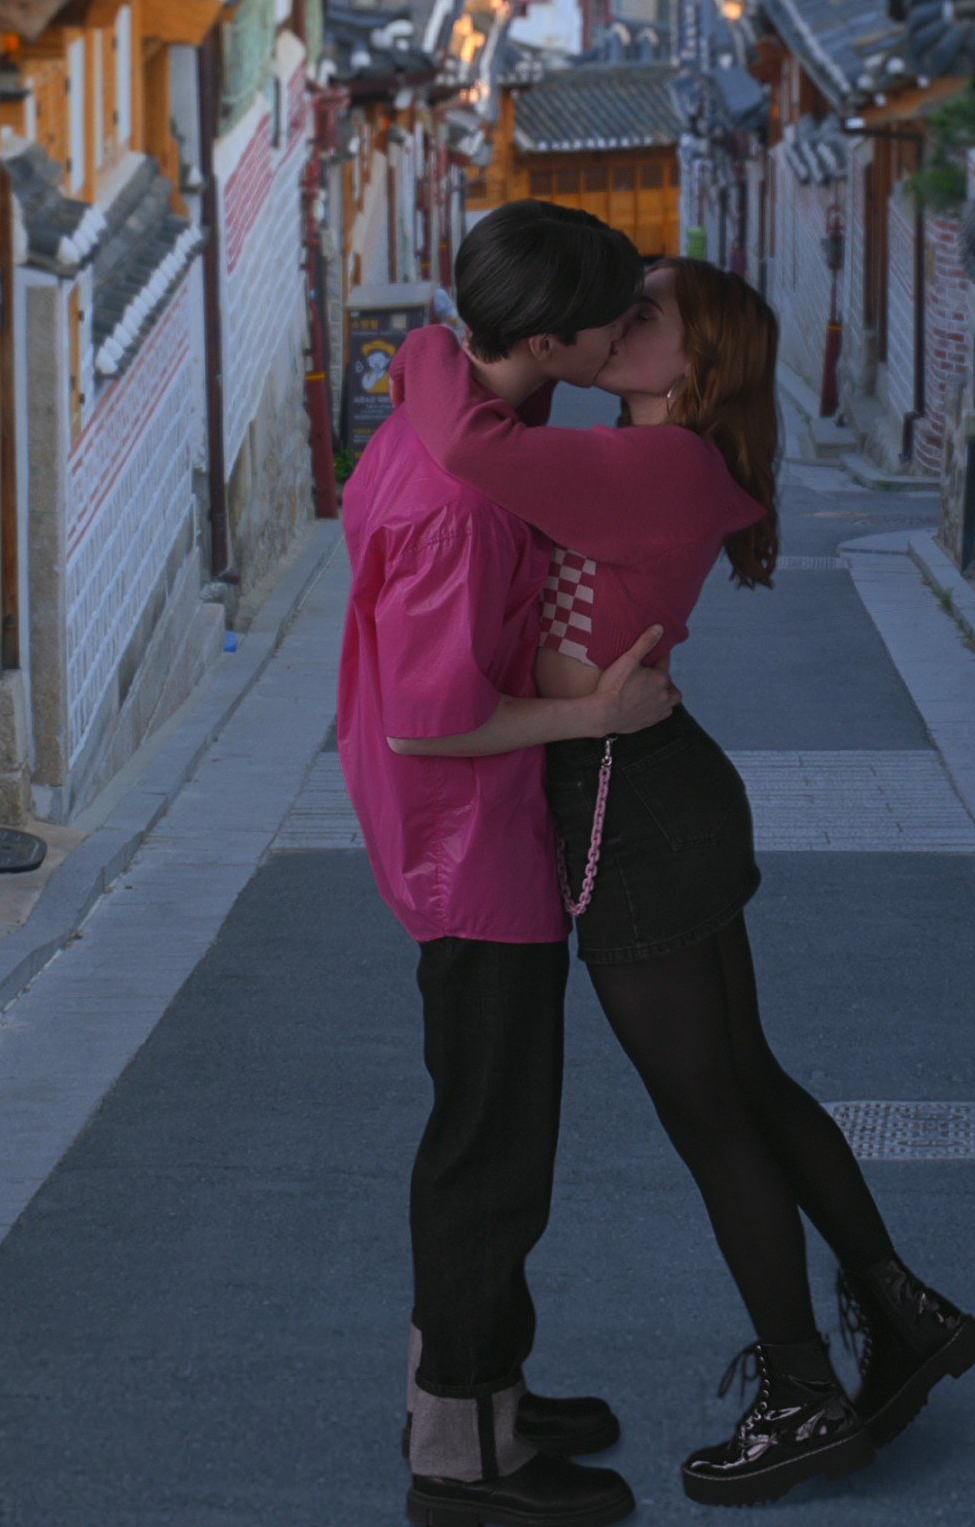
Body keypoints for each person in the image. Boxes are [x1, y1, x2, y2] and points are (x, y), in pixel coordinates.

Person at [388, 256, 975, 1509]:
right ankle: (901, 1309)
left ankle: (803, 1395)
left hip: (631, 799)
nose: (618, 322)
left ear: (697, 366)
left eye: (645, 315)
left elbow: (464, 439)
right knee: (749, 1087)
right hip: (649, 782)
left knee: (713, 1117)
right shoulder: (652, 454)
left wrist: (442, 332)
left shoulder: (659, 467)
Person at [339, 202, 682, 1527]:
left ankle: (485, 1386)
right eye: (613, 320)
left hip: (469, 843)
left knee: (487, 1133)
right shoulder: (466, 507)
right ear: (545, 339)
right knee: (492, 1152)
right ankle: (456, 1452)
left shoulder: (449, 387)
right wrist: (598, 717)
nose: (628, 331)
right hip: (472, 856)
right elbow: (431, 722)